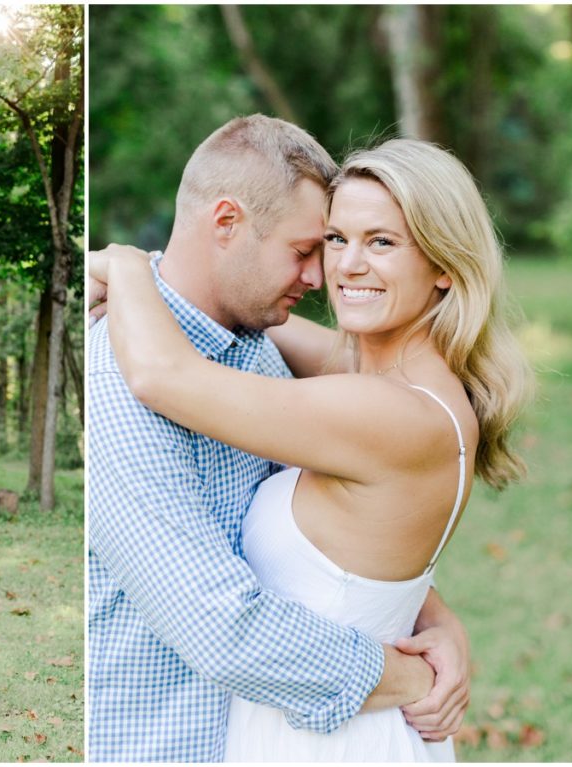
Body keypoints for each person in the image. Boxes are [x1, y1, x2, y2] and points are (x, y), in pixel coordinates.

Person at [89, 137, 533, 760]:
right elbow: (337, 559)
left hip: (325, 735)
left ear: (444, 265)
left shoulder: (381, 409)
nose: (337, 268)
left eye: (382, 241)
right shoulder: (316, 363)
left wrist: (128, 264)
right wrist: (431, 620)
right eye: (328, 241)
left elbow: (167, 375)